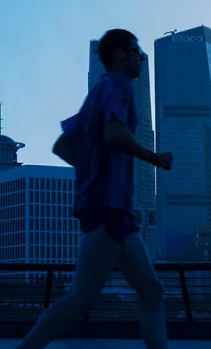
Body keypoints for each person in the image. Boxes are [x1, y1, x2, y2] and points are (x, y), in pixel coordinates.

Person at [18, 29, 174, 349]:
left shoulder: (95, 95)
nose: (142, 58)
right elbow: (115, 133)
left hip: (113, 209)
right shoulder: (118, 86)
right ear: (120, 55)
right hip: (108, 207)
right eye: (137, 51)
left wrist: (91, 170)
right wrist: (154, 158)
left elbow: (62, 145)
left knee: (151, 291)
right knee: (81, 298)